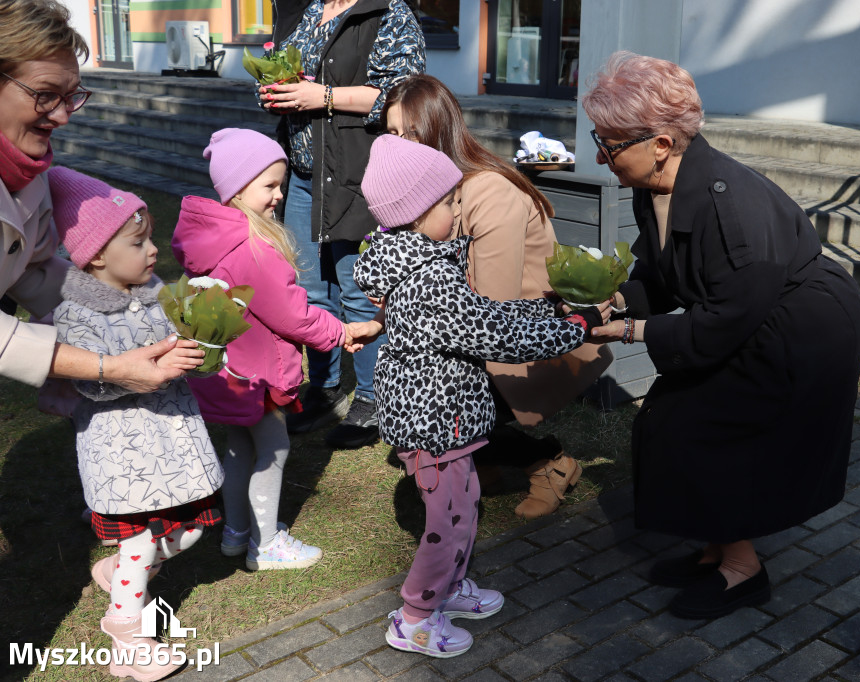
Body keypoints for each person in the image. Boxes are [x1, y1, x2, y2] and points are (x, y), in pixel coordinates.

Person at [581, 52, 860, 620]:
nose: (600, 154)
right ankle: (715, 550)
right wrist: (614, 300)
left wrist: (634, 329)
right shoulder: (652, 185)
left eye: (610, 144)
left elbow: (723, 321)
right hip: (746, 311)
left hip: (801, 327)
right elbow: (658, 275)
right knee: (674, 418)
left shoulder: (732, 205)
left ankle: (743, 570)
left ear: (661, 143)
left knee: (702, 423)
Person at [354, 135, 605, 657]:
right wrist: (574, 328)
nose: (458, 208)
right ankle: (415, 616)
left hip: (450, 417)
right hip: (433, 425)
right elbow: (495, 332)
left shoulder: (429, 266)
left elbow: (495, 315)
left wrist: (555, 316)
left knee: (465, 510)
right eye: (449, 202)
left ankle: (448, 589)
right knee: (446, 524)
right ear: (420, 212)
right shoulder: (428, 283)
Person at [381, 74, 612, 519]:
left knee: (437, 392)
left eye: (411, 133)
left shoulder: (487, 190)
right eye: (392, 134)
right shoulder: (425, 193)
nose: (400, 145)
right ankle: (477, 461)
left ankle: (549, 462)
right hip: (482, 328)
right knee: (417, 380)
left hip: (530, 337)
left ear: (439, 129)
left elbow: (493, 308)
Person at [49, 167, 224, 682]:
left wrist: (203, 335)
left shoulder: (155, 294)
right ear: (98, 254)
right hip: (124, 451)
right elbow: (89, 382)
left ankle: (118, 573)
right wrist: (138, 373)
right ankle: (126, 634)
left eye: (150, 239)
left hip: (175, 439)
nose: (153, 251)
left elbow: (177, 341)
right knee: (143, 537)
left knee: (188, 528)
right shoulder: (76, 313)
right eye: (139, 241)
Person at [173, 129, 374, 570]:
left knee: (239, 447)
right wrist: (341, 332)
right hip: (255, 375)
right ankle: (265, 546)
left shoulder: (213, 237)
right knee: (275, 448)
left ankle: (235, 532)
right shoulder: (253, 249)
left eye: (280, 184)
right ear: (237, 187)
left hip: (226, 372)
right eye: (269, 185)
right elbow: (293, 315)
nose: (279, 195)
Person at [0, 0, 203, 393]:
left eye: (71, 95)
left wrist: (149, 303)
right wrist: (107, 367)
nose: (62, 117)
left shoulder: (30, 175)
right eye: (44, 94)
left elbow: (32, 271)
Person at [258, 0, 424, 447]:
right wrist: (278, 92)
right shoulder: (308, 11)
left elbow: (405, 95)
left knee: (358, 290)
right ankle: (324, 389)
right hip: (305, 176)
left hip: (358, 174)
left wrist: (324, 97)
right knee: (309, 289)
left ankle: (372, 401)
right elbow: (293, 75)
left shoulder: (386, 13)